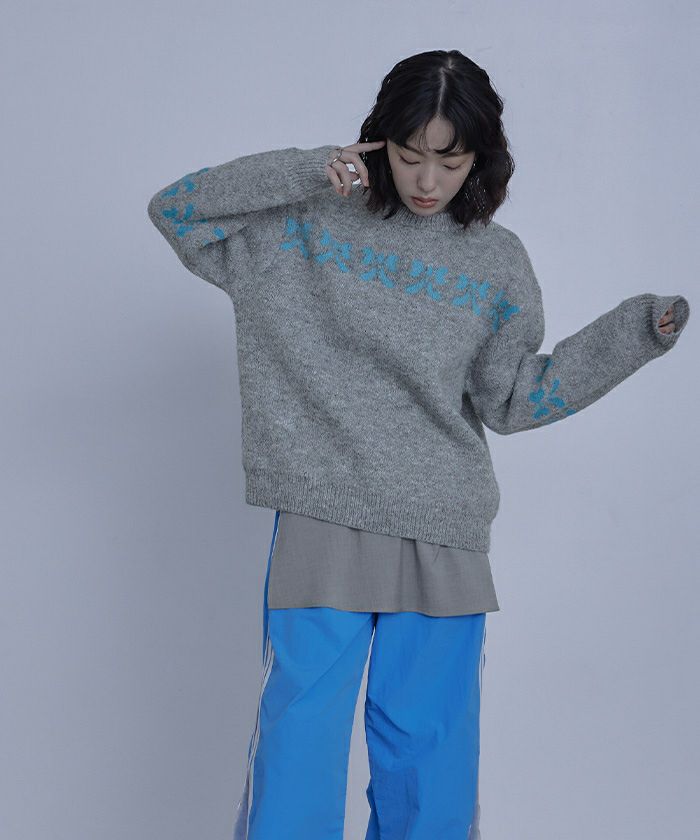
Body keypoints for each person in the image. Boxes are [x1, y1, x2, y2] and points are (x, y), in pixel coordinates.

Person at [146, 49, 689, 840]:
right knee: (299, 747)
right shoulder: (304, 224)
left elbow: (514, 399)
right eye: (409, 156)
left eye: (450, 161)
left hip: (443, 526)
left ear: (481, 159)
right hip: (323, 512)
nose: (428, 181)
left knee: (429, 763)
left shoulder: (497, 263)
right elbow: (177, 210)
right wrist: (304, 170)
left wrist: (632, 335)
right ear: (379, 142)